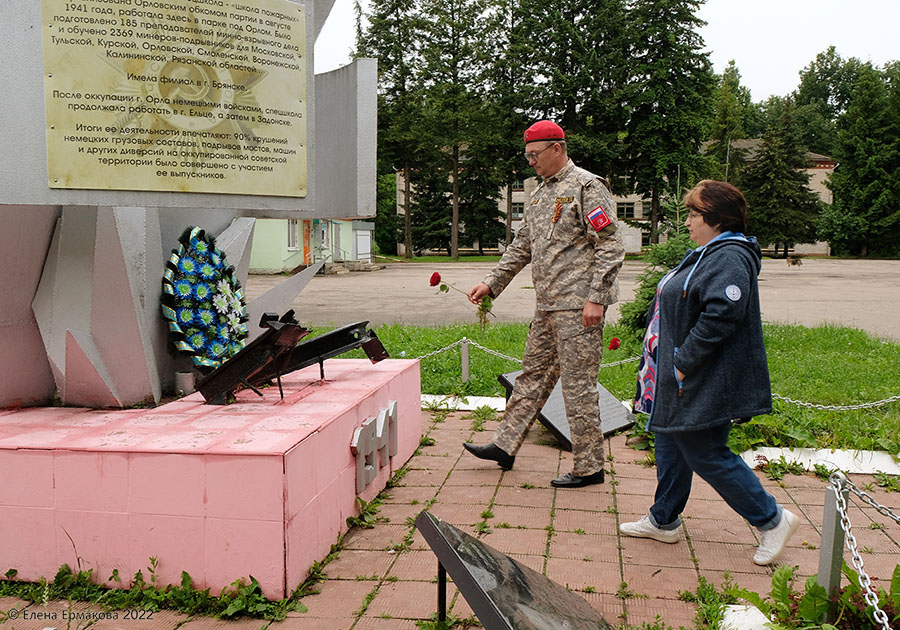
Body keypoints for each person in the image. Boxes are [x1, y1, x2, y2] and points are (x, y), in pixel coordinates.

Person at [619, 180, 798, 565]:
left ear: (717, 218)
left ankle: (771, 519)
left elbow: (722, 314)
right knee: (668, 443)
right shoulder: (709, 252)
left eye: (694, 214)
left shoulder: (729, 255)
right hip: (678, 376)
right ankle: (663, 520)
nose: (687, 222)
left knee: (705, 452)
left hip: (701, 376)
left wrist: (683, 362)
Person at [463, 120, 625, 488]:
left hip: (579, 308)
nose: (531, 163)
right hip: (548, 306)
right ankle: (504, 445)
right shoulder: (539, 194)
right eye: (527, 156)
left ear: (558, 148)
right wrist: (491, 283)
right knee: (530, 377)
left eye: (535, 155)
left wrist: (597, 299)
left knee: (578, 386)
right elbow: (522, 246)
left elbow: (610, 246)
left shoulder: (588, 186)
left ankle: (589, 467)